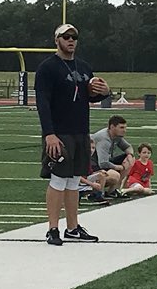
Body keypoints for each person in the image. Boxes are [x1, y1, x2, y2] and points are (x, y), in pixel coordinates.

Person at [34, 21, 105, 246]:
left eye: (74, 37)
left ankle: (72, 227)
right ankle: (53, 228)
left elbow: (89, 97)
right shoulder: (48, 68)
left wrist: (103, 93)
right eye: (66, 37)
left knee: (74, 181)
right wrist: (49, 134)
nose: (71, 40)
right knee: (58, 179)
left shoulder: (83, 68)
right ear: (57, 40)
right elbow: (43, 103)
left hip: (80, 131)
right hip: (60, 132)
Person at [87, 114, 132, 201]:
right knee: (115, 176)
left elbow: (128, 147)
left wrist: (130, 155)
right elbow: (103, 163)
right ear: (112, 127)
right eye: (121, 127)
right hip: (93, 166)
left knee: (129, 159)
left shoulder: (116, 136)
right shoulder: (104, 139)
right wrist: (117, 167)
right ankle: (96, 192)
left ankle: (113, 190)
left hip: (103, 162)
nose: (124, 130)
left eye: (125, 128)